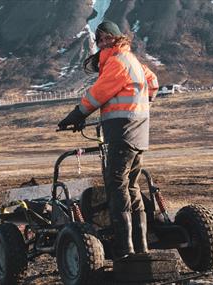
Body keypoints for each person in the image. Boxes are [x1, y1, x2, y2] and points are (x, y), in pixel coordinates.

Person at [58, 21, 159, 260]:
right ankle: (141, 247)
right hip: (138, 132)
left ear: (116, 38)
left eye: (106, 38)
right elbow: (153, 82)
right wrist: (143, 102)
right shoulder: (133, 61)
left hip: (123, 132)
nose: (103, 43)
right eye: (99, 40)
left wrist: (77, 114)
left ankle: (125, 249)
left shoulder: (117, 61)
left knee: (116, 187)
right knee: (132, 187)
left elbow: (98, 92)